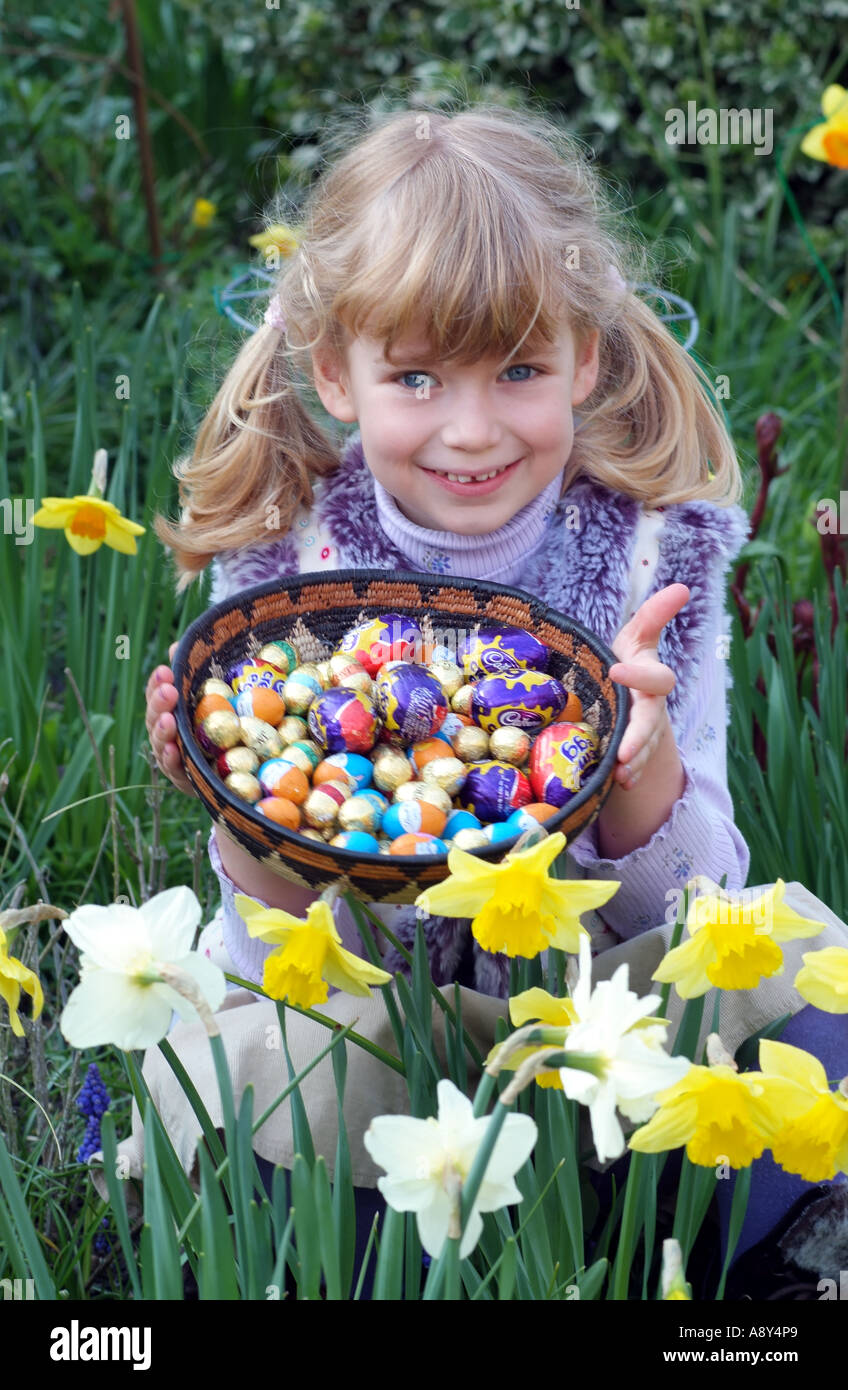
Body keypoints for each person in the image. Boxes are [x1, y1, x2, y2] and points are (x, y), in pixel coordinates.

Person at [127, 105, 846, 1292]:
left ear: (587, 359)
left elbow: (700, 901)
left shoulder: (643, 569)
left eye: (517, 369)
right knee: (253, 1047)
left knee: (788, 943)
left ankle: (733, 1260)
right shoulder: (286, 585)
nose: (470, 429)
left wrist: (637, 765)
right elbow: (283, 952)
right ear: (336, 376)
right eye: (415, 376)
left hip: (587, 1017)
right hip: (388, 1028)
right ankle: (360, 1265)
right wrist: (236, 812)